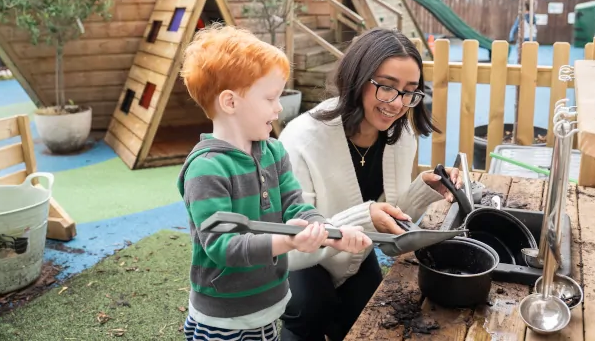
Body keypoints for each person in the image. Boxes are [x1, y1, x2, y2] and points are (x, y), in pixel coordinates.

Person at [175, 23, 373, 341]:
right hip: (223, 318)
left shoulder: (273, 151)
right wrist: (290, 241)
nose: (279, 107)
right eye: (270, 98)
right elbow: (224, 246)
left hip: (269, 304)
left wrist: (329, 233)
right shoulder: (207, 170)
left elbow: (295, 204)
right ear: (230, 103)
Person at [279, 28, 463, 341]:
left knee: (370, 313)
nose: (397, 103)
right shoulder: (301, 139)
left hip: (354, 253)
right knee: (311, 307)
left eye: (409, 91)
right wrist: (365, 217)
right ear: (357, 78)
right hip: (301, 257)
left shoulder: (401, 137)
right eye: (386, 87)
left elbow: (389, 222)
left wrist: (425, 189)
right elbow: (292, 247)